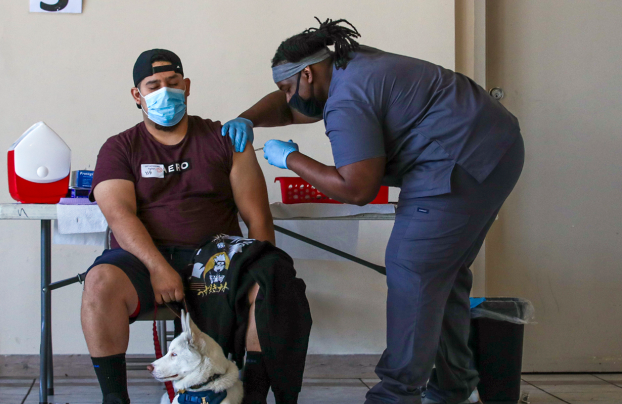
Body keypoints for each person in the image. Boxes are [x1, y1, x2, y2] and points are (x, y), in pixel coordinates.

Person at [222, 18, 525, 404]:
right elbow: (287, 104)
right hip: (495, 146)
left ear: (309, 74)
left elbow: (357, 188)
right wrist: (248, 118)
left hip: (463, 161)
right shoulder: (348, 66)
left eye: (287, 86)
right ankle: (452, 386)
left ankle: (395, 395)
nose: (286, 96)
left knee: (411, 267)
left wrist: (292, 158)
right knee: (440, 276)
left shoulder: (349, 99)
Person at [82, 49, 301, 404]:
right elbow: (119, 215)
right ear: (137, 95)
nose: (164, 92)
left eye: (172, 83)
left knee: (269, 281)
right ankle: (114, 398)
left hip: (216, 259)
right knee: (99, 281)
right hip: (144, 259)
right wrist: (157, 267)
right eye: (153, 85)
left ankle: (255, 395)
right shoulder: (120, 147)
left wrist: (263, 266)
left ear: (186, 87)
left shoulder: (226, 139)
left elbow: (257, 217)